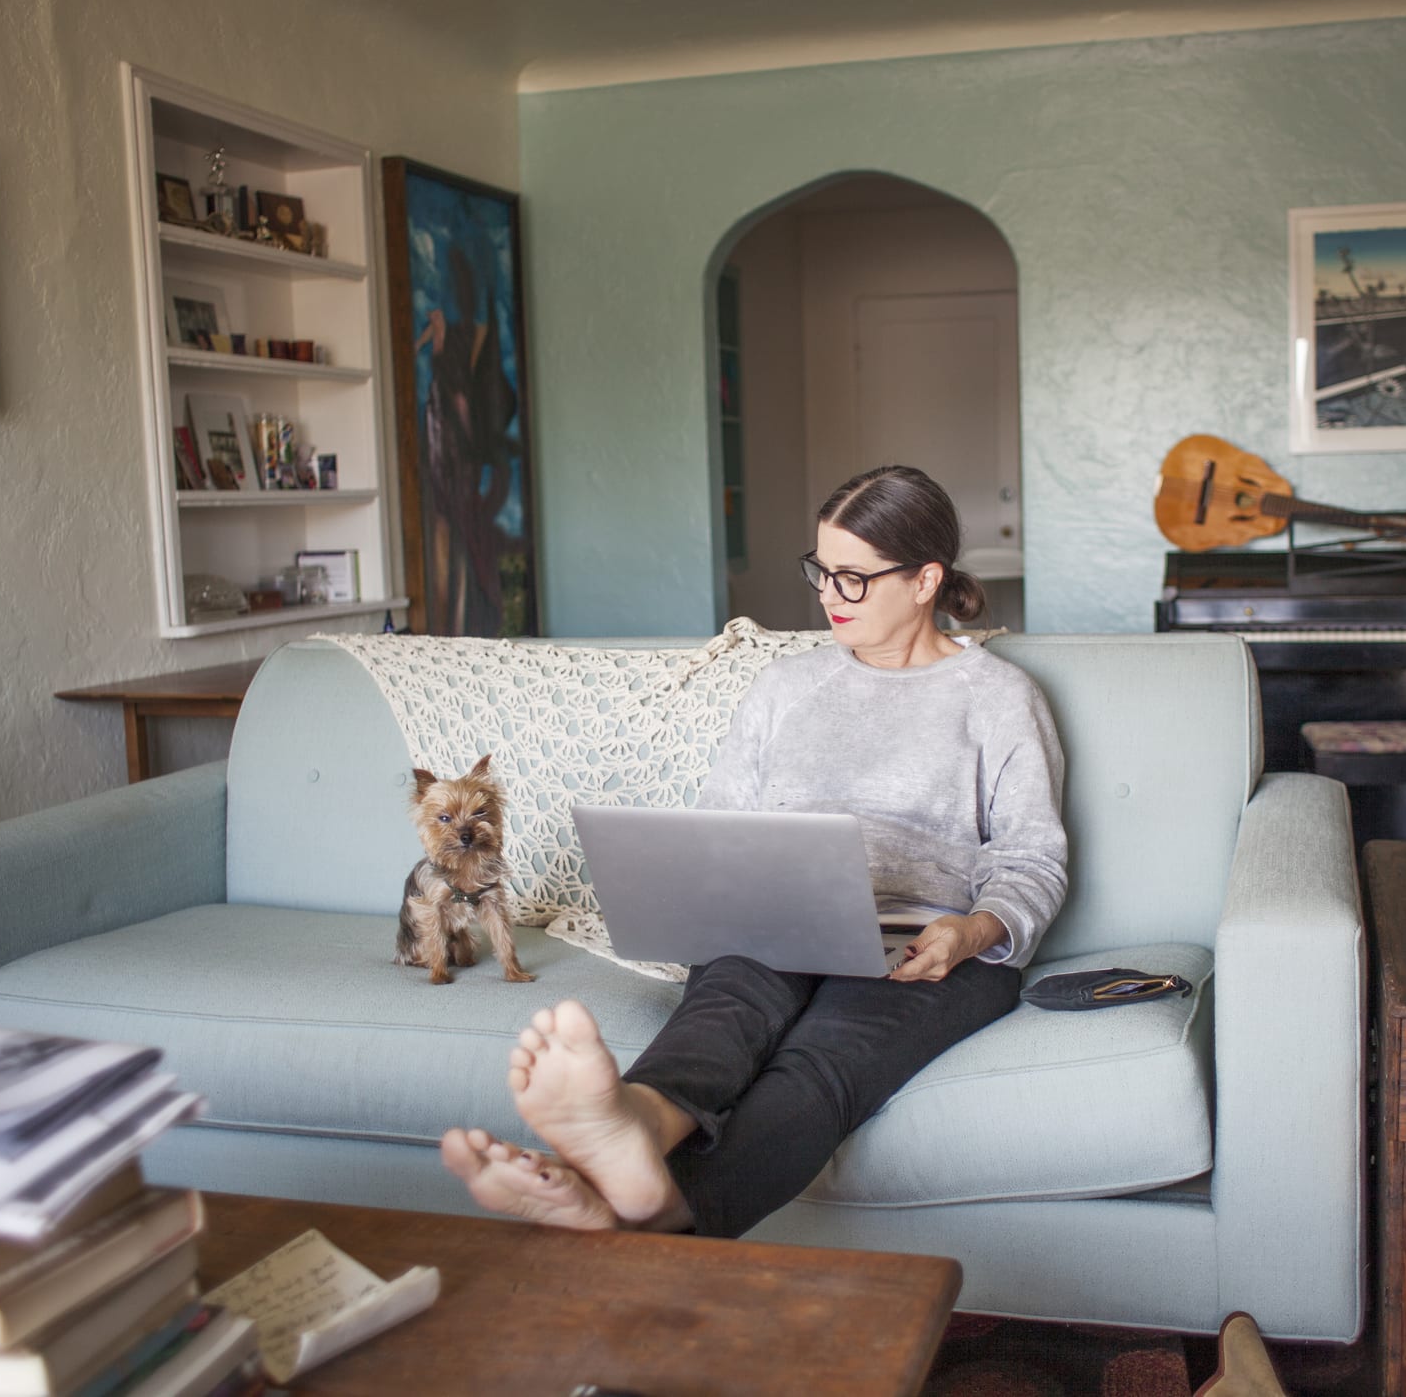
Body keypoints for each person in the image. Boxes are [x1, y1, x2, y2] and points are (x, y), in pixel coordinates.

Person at [440, 465, 1068, 1237]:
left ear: (924, 580)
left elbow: (1033, 857)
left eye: (852, 578)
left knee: (820, 1060)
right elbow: (721, 828)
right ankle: (634, 1122)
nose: (828, 596)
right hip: (779, 921)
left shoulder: (999, 696)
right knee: (725, 1012)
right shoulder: (785, 686)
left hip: (930, 945)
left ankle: (641, 1205)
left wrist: (974, 930)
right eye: (819, 571)